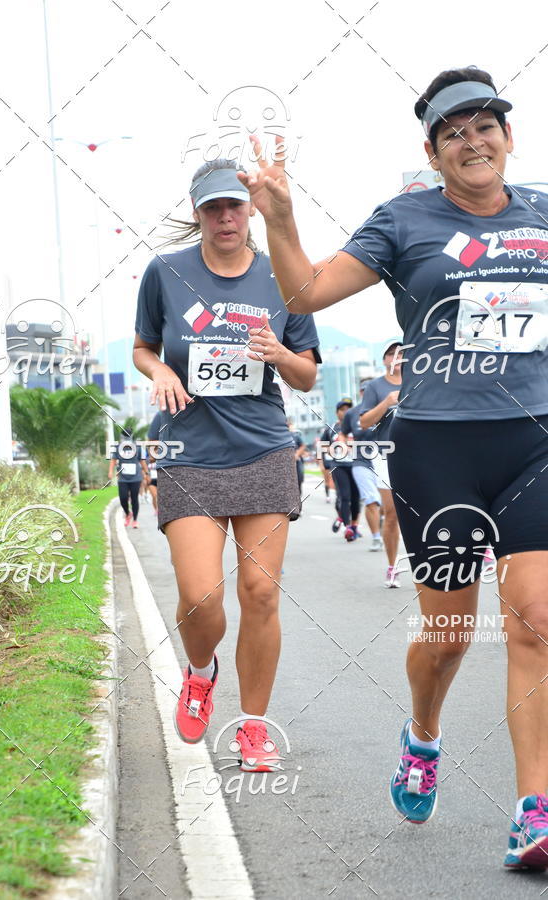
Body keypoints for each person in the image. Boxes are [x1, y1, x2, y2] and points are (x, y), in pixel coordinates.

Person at [239, 67, 548, 867]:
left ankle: (533, 811)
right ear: (433, 151)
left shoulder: (545, 214)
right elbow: (304, 293)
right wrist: (279, 217)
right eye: (454, 131)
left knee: (537, 621)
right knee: (446, 637)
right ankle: (423, 732)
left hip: (535, 440)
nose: (473, 140)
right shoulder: (403, 220)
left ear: (508, 137)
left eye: (485, 125)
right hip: (439, 448)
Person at [133, 158, 320, 771]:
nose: (225, 217)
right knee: (198, 596)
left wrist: (279, 353)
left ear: (252, 210)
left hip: (263, 448)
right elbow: (143, 348)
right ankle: (201, 669)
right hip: (189, 454)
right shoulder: (166, 272)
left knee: (260, 592)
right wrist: (160, 370)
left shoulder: (281, 277)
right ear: (198, 213)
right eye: (213, 207)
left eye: (235, 206)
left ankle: (254, 726)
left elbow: (308, 373)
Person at [358, 341, 403, 586]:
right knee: (392, 513)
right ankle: (392, 566)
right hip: (386, 453)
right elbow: (364, 422)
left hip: (419, 453)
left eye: (402, 354)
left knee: (424, 511)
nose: (397, 358)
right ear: (384, 360)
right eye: (392, 354)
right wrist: (386, 402)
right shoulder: (376, 386)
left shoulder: (420, 382)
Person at [340, 379, 383, 552]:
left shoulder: (386, 408)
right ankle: (377, 538)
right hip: (360, 461)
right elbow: (343, 434)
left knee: (386, 505)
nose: (368, 393)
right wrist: (343, 444)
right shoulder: (352, 413)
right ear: (361, 393)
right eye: (364, 391)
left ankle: (386, 531)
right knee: (371, 499)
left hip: (384, 460)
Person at [320, 399, 361, 541]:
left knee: (356, 498)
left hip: (356, 465)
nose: (345, 412)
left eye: (348, 409)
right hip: (339, 466)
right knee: (345, 496)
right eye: (342, 409)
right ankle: (347, 527)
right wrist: (331, 451)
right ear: (337, 412)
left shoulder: (357, 426)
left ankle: (354, 526)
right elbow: (323, 445)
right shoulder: (331, 428)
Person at [108, 431, 149, 528]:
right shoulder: (118, 448)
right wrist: (110, 471)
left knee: (135, 499)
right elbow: (113, 460)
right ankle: (127, 514)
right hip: (123, 478)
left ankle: (135, 520)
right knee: (123, 498)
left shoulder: (137, 448)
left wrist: (146, 473)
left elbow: (142, 461)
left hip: (136, 477)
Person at [287, 418, 306, 501]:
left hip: (297, 463)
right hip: (286, 465)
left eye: (289, 425)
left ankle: (298, 504)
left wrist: (297, 454)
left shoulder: (296, 436)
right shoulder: (280, 436)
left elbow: (303, 446)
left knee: (299, 482)